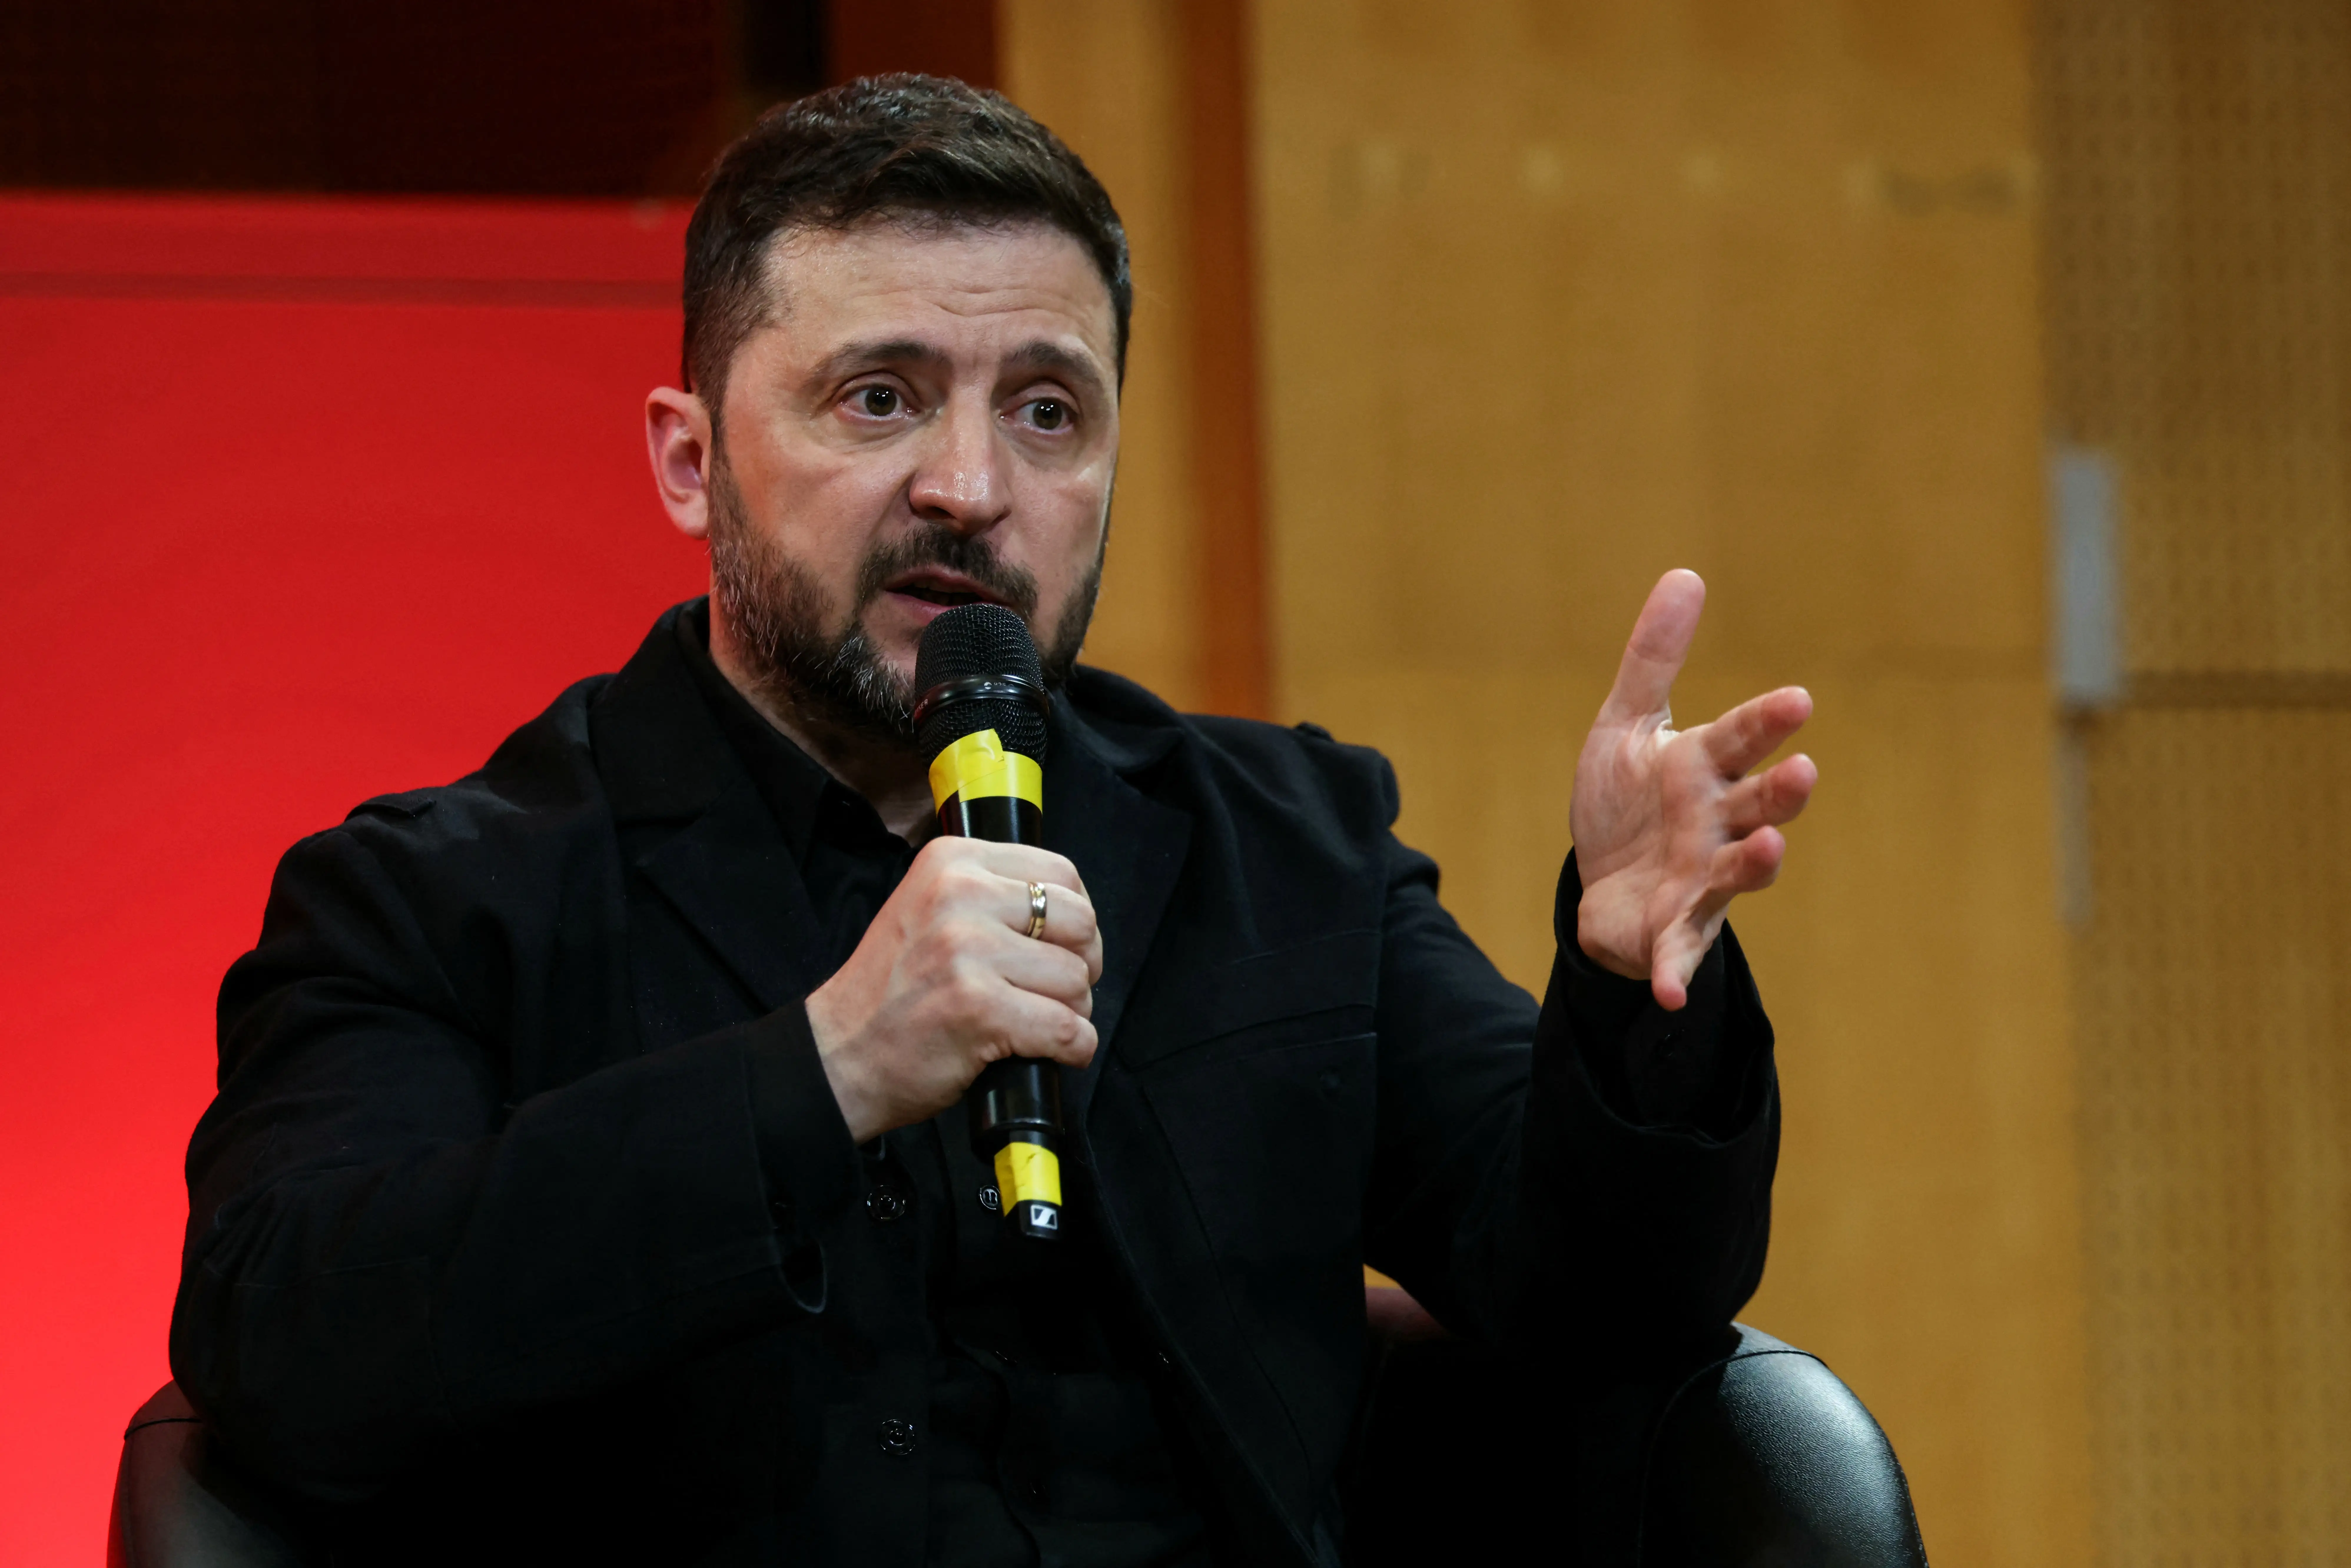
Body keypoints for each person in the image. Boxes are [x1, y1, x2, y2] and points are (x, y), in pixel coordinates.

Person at [170, 75, 1816, 1567]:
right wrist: (822, 1073)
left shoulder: (1289, 842)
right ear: (691, 462)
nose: (972, 482)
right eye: (879, 397)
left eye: (1046, 410)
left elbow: (1605, 1304)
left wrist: (1628, 990)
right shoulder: (435, 899)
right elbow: (283, 1347)